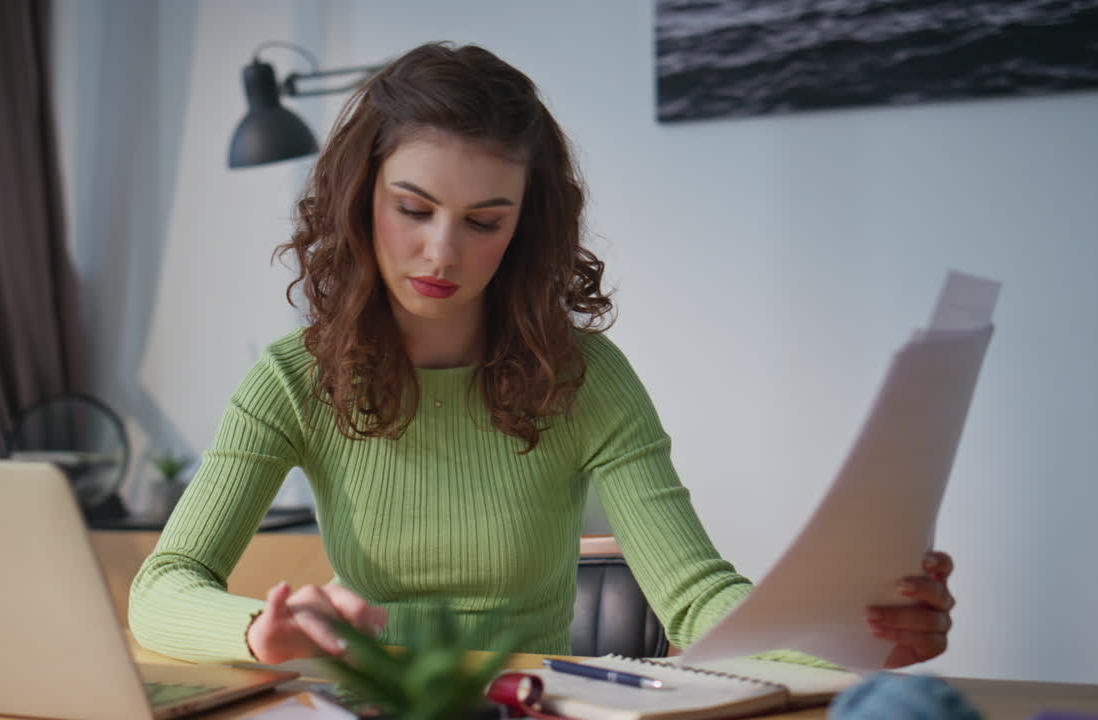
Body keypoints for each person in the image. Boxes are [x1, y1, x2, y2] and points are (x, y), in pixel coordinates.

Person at [130, 42, 955, 669]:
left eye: (484, 221)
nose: (441, 253)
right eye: (412, 208)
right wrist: (254, 629)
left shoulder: (586, 378)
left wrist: (852, 643)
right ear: (360, 199)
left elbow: (699, 598)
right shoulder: (290, 379)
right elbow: (162, 587)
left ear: (524, 225)